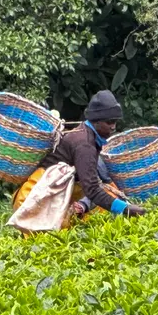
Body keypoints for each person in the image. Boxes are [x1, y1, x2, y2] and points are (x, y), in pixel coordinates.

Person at [11, 90, 145, 226]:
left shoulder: (85, 133)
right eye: (109, 122)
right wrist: (125, 209)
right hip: (33, 200)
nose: (113, 127)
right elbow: (92, 189)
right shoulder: (84, 145)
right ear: (96, 121)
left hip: (42, 198)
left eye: (115, 122)